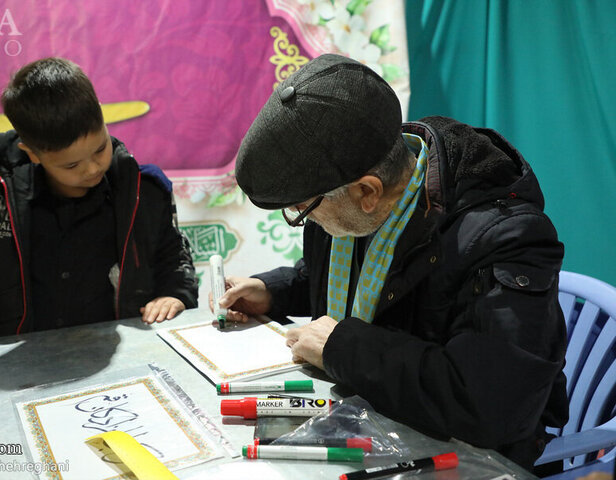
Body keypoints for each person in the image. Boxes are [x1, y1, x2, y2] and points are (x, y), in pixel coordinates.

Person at [216, 54, 568, 470]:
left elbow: (487, 405)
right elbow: (346, 279)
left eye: (303, 208)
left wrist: (343, 347)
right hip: (372, 424)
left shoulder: (506, 239)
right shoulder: (363, 191)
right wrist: (273, 290)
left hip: (471, 459)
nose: (304, 219)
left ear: (367, 191)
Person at [0, 57, 198, 352]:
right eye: (71, 165)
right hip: (15, 358)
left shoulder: (141, 189)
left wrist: (173, 294)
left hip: (119, 356)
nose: (93, 169)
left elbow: (172, 255)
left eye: (100, 149)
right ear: (32, 153)